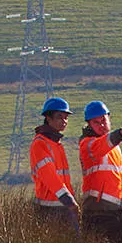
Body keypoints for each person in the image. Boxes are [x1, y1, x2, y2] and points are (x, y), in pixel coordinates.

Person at [78, 100, 122, 243]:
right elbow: (101, 145)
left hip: (117, 211)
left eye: (103, 119)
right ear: (89, 125)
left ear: (109, 118)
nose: (102, 124)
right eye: (96, 122)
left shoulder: (114, 147)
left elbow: (119, 179)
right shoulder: (87, 143)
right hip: (97, 213)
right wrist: (120, 133)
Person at [29, 96, 81, 234]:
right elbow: (50, 177)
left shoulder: (56, 144)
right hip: (50, 209)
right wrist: (69, 201)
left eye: (66, 117)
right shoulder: (40, 143)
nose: (64, 121)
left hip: (63, 207)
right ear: (48, 118)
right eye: (59, 117)